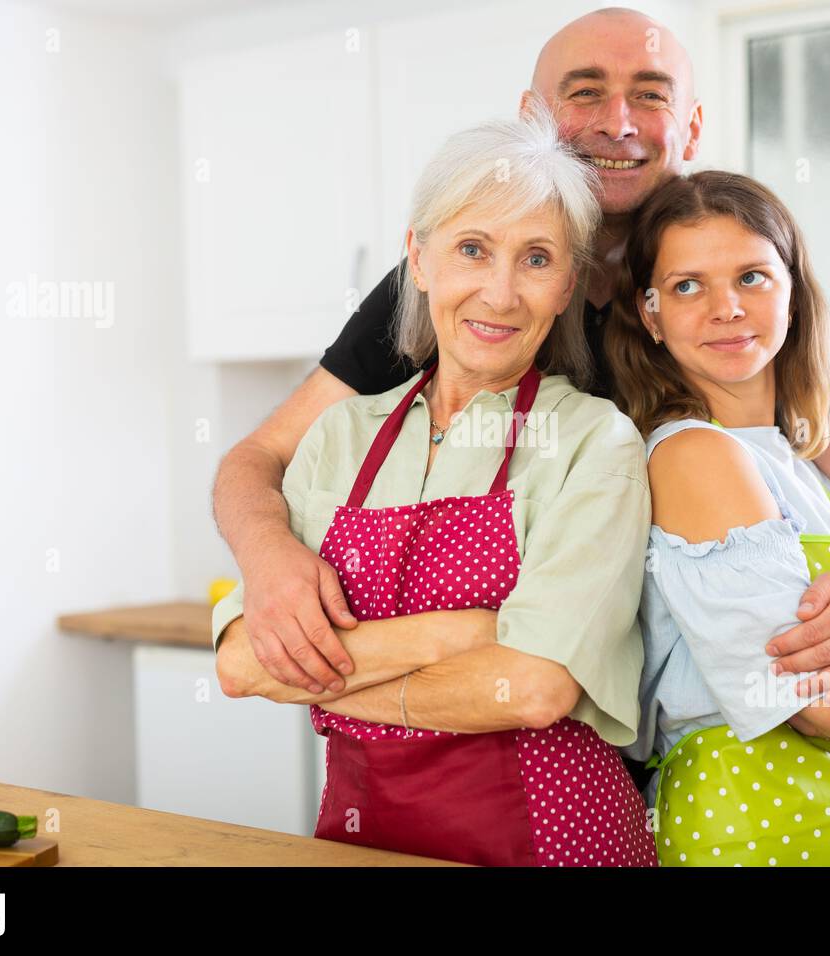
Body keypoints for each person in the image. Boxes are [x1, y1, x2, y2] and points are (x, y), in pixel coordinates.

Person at [210, 7, 830, 792]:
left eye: (651, 95)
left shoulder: (721, 308)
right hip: (479, 752)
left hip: (664, 758)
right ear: (531, 117)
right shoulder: (449, 296)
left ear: (690, 128)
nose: (618, 122)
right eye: (586, 92)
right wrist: (272, 561)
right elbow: (257, 457)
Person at [213, 108, 658, 867]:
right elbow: (241, 665)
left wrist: (322, 684)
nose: (501, 292)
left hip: (549, 840)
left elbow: (536, 688)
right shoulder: (339, 437)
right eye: (472, 249)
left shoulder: (596, 443)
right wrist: (463, 633)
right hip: (362, 838)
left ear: (567, 287)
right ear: (417, 260)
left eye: (537, 259)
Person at [605, 169, 830, 866]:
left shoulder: (810, 453)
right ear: (651, 314)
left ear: (793, 290)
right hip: (745, 822)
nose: (726, 308)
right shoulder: (695, 456)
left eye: (752, 277)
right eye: (688, 286)